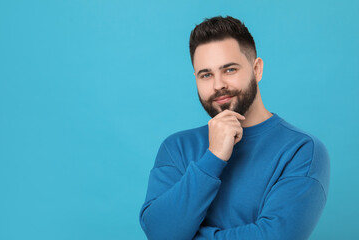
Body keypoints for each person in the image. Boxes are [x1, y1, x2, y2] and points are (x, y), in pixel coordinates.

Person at [139, 15, 330, 240]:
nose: (218, 84)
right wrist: (214, 156)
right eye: (206, 74)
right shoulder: (176, 148)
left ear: (257, 69)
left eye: (229, 70)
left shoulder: (302, 150)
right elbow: (160, 234)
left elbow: (276, 236)